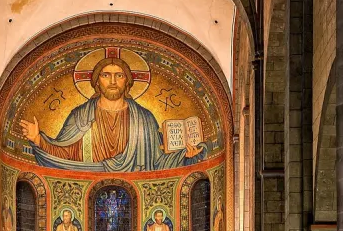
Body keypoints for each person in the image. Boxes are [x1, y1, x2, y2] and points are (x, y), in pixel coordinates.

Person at [18, 56, 205, 172]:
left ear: (128, 82)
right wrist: (38, 139)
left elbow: (157, 162)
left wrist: (185, 155)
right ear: (97, 82)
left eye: (120, 75)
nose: (113, 81)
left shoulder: (144, 119)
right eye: (106, 75)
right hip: (87, 185)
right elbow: (64, 154)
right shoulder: (80, 116)